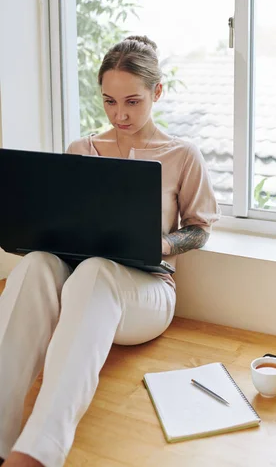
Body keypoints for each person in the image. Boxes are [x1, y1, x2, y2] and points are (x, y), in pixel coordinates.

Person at [0, 35, 220, 467]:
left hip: (145, 292)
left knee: (98, 271)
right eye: (109, 101)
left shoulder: (182, 155)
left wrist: (161, 242)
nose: (120, 114)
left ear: (157, 92)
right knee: (37, 263)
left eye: (133, 102)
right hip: (77, 283)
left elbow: (199, 230)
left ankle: (37, 454)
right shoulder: (80, 151)